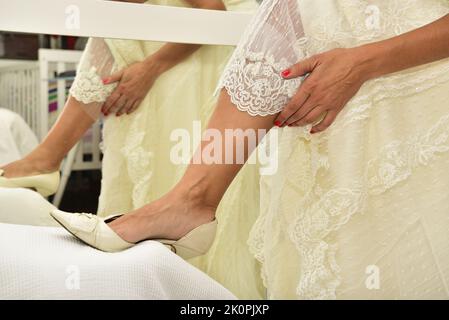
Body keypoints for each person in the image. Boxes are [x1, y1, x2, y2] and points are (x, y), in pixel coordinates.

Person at [4, 0, 449, 299]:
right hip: (319, 58)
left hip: (388, 58)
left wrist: (363, 62)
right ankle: (186, 198)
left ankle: (184, 199)